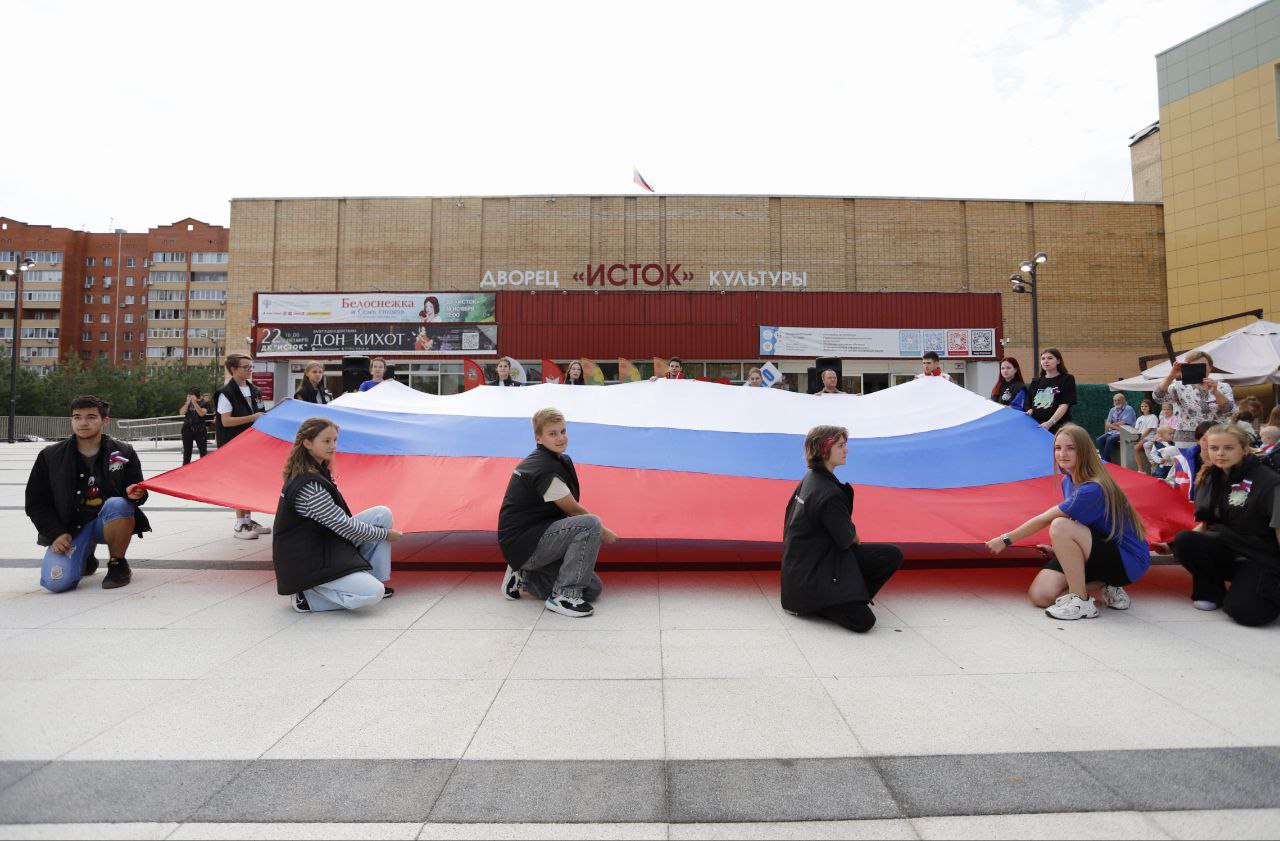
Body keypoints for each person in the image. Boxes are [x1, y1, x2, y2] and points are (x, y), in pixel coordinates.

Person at [985, 424, 1150, 620]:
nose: (1062, 454)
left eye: (1070, 448)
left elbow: (1048, 518)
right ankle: (1104, 584)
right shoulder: (1068, 481)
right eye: (1058, 448)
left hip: (1128, 560)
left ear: (1084, 451)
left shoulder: (1093, 488)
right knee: (1041, 596)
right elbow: (1081, 524)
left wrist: (1005, 540)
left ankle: (1081, 601)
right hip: (1098, 549)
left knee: (1059, 525)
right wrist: (1062, 549)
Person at [780, 425, 903, 632]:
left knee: (891, 554)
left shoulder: (810, 479)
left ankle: (848, 595)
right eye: (840, 445)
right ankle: (829, 603)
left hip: (799, 573)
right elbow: (849, 540)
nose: (846, 450)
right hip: (810, 581)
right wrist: (853, 535)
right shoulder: (828, 493)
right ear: (824, 450)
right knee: (864, 622)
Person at [272, 418, 401, 613]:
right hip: (308, 560)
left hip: (321, 543)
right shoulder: (309, 485)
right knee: (371, 594)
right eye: (326, 441)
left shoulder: (317, 469)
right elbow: (344, 526)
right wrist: (385, 535)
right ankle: (307, 597)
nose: (333, 446)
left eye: (334, 440)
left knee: (381, 515)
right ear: (307, 443)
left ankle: (370, 579)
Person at [497, 408, 617, 617]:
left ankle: (524, 575)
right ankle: (564, 596)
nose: (561, 438)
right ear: (539, 438)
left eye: (563, 431)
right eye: (553, 434)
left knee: (592, 588)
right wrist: (603, 532)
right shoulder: (543, 469)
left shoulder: (557, 459)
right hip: (524, 542)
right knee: (589, 524)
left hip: (536, 536)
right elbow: (572, 509)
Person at [26, 395, 150, 592]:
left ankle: (118, 563)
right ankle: (86, 557)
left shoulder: (122, 452)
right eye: (77, 417)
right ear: (71, 420)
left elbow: (137, 492)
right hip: (72, 526)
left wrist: (134, 493)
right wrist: (56, 533)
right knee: (55, 583)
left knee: (118, 504)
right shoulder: (51, 456)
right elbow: (36, 502)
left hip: (107, 521)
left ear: (105, 421)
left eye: (91, 417)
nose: (83, 422)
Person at [1170, 424, 1280, 626]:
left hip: (1260, 556)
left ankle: (1260, 587)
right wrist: (1175, 545)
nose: (1220, 453)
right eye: (1214, 448)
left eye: (1228, 448)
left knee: (1244, 612)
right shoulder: (1210, 476)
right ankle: (1211, 592)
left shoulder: (1268, 481)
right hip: (1228, 548)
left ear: (1244, 449)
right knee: (1184, 540)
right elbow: (1207, 523)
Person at [215, 353, 270, 540]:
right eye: (246, 366)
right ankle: (240, 524)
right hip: (233, 444)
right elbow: (226, 421)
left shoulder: (254, 390)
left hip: (251, 444)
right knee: (239, 482)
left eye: (251, 366)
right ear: (233, 369)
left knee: (250, 482)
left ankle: (248, 519)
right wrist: (252, 418)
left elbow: (261, 413)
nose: (250, 370)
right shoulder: (226, 392)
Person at [1152, 351, 1235, 455]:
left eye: (1202, 366)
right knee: (1188, 469)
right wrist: (1171, 376)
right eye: (1193, 366)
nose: (1198, 369)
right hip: (1186, 440)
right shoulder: (1178, 386)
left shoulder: (1223, 387)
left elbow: (1230, 412)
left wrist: (1216, 392)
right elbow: (1158, 397)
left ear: (1210, 367)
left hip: (1217, 438)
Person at [1025, 348, 1077, 432]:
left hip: (1058, 426)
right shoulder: (1035, 381)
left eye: (1050, 358)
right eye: (1043, 358)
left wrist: (1050, 423)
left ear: (1058, 361)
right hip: (1037, 426)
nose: (1046, 361)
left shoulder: (1067, 379)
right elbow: (1030, 405)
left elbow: (1064, 405)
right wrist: (1030, 411)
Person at [1095, 393, 1137, 464]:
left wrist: (1112, 425)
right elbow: (1108, 423)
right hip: (1113, 431)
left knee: (1110, 439)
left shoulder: (1129, 409)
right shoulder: (1112, 410)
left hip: (1125, 432)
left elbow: (1123, 423)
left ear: (1124, 400)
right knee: (1099, 440)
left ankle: (1104, 460)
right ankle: (1107, 461)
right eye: (1115, 400)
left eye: (1119, 400)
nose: (1117, 402)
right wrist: (1115, 425)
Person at [180, 386, 210, 465]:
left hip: (200, 430)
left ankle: (203, 469)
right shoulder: (188, 403)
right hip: (187, 430)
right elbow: (181, 413)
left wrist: (195, 403)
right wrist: (187, 403)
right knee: (187, 453)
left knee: (203, 452)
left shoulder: (204, 403)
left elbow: (201, 413)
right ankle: (185, 471)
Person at [1132, 398, 1159, 472]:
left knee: (1135, 448)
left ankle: (1142, 469)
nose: (1143, 408)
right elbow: (1136, 430)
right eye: (1142, 406)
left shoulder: (1153, 417)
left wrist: (1139, 438)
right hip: (1141, 438)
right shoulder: (1139, 418)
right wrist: (1135, 438)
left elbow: (1149, 430)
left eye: (1146, 406)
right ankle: (1141, 469)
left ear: (1150, 407)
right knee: (1131, 446)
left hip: (1149, 438)